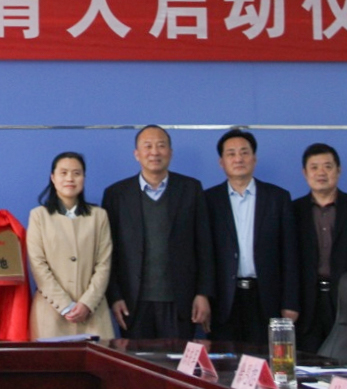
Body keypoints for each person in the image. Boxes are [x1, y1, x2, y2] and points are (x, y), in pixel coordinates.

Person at [102, 125, 213, 339]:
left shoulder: (191, 189)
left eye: (161, 146)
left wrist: (203, 293)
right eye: (148, 146)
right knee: (135, 360)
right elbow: (108, 251)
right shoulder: (116, 194)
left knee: (178, 359)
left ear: (170, 152)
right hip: (133, 303)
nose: (154, 152)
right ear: (137, 154)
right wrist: (114, 296)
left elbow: (204, 246)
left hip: (181, 301)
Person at [205, 128, 298, 344]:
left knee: (266, 359)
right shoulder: (208, 200)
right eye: (231, 154)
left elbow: (290, 255)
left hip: (267, 299)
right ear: (221, 162)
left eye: (244, 152)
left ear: (254, 159)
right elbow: (203, 254)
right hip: (224, 301)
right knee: (225, 361)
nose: (238, 159)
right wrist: (204, 297)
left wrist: (291, 302)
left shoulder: (278, 198)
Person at [292, 142, 347, 352]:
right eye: (314, 167)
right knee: (308, 364)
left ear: (338, 171)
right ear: (305, 173)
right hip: (307, 304)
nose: (321, 172)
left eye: (328, 166)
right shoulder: (293, 212)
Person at [27, 151, 114, 339]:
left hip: (93, 312)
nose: (70, 179)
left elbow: (104, 264)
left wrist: (87, 303)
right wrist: (65, 305)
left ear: (84, 178)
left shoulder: (99, 216)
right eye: (63, 173)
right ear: (53, 178)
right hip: (51, 311)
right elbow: (38, 266)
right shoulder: (39, 216)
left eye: (76, 173)